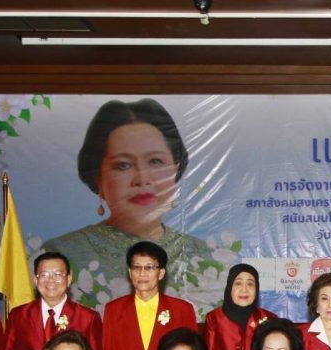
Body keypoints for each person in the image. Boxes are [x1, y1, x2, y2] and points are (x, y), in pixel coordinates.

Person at [42, 98, 218, 311]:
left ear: (176, 169)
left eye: (155, 161)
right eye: (123, 165)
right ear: (98, 177)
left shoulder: (210, 257)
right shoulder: (63, 254)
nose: (142, 179)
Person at [0, 251, 103, 350]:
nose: (51, 280)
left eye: (57, 274)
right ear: (36, 279)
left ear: (68, 279)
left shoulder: (88, 318)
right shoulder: (18, 315)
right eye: (45, 274)